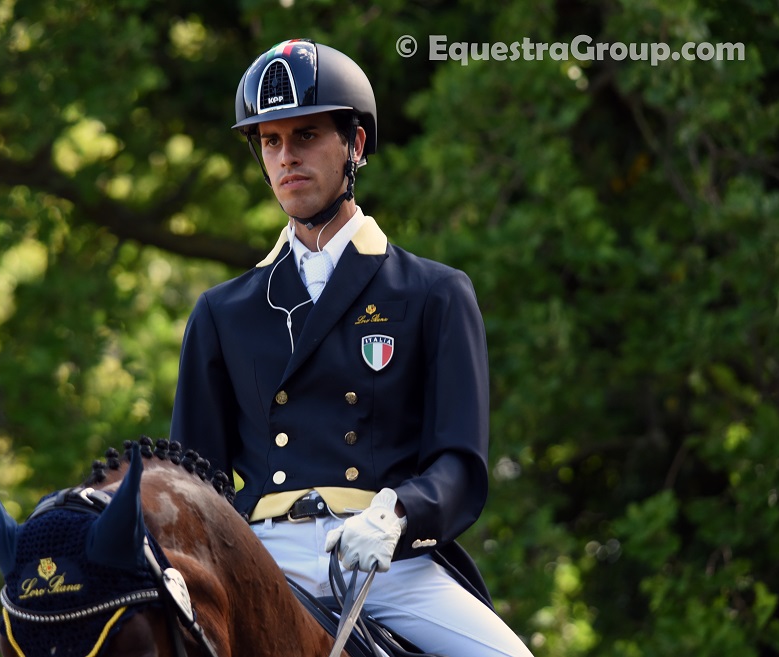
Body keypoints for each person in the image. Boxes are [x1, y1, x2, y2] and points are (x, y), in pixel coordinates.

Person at [170, 38, 534, 657]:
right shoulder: (222, 312)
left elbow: (458, 465)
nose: (287, 158)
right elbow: (193, 482)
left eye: (307, 136)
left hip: (385, 558)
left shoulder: (433, 294)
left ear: (355, 145)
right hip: (263, 559)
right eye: (272, 142)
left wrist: (396, 516)